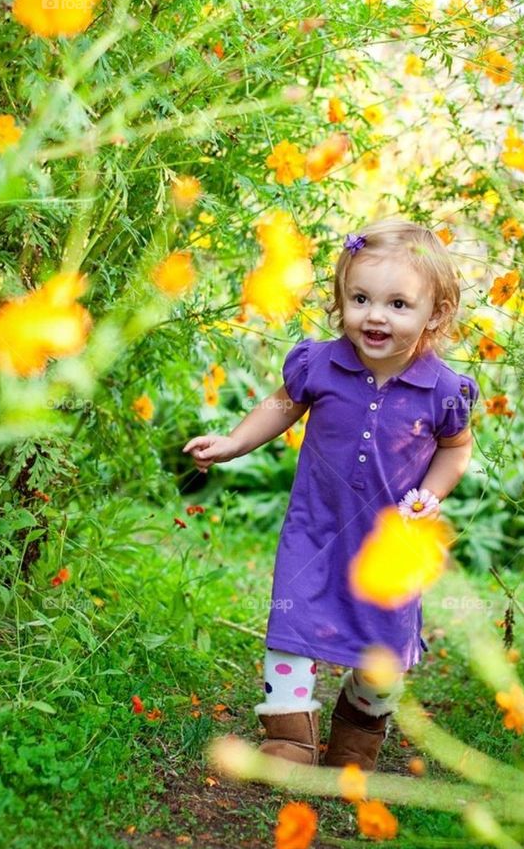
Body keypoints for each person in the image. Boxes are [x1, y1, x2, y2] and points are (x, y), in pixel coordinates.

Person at [183, 216, 480, 772]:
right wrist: (232, 443)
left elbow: (456, 448)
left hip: (391, 544)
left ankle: (356, 733)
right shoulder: (321, 361)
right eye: (360, 298)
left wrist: (432, 494)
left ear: (434, 314)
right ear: (340, 299)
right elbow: (281, 405)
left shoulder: (443, 389)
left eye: (398, 304)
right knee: (291, 629)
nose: (374, 316)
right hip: (315, 529)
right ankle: (289, 738)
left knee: (382, 656)